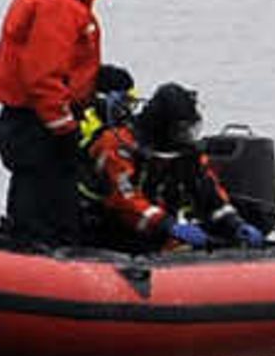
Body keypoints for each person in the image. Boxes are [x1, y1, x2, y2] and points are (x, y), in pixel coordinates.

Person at [0, 0, 105, 246]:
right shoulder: (59, 6)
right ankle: (40, 251)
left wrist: (97, 78)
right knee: (48, 198)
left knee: (35, 192)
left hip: (26, 120)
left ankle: (29, 245)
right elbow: (43, 76)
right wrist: (65, 127)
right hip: (38, 124)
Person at [71, 63, 208, 251]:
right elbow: (123, 196)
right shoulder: (116, 142)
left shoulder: (180, 152)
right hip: (103, 223)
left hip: (149, 222)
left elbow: (204, 185)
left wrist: (231, 221)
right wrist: (167, 225)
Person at [131, 83, 266, 245]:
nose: (186, 135)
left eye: (188, 129)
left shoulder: (188, 156)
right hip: (126, 235)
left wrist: (234, 223)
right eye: (180, 130)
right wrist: (168, 225)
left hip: (164, 232)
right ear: (163, 127)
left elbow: (210, 194)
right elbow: (124, 201)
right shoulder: (128, 149)